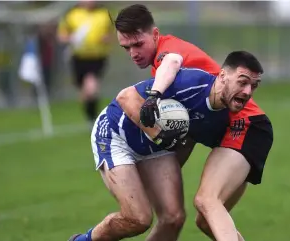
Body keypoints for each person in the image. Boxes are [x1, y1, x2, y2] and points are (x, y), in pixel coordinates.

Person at [114, 4, 273, 241]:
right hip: (240, 129)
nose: (133, 53)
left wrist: (153, 96)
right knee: (207, 221)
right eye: (126, 48)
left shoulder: (167, 55)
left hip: (246, 124)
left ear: (155, 35)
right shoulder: (177, 83)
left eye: (138, 44)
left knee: (206, 200)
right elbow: (189, 132)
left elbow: (172, 61)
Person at [68, 51, 260, 241]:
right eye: (242, 82)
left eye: (254, 86)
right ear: (223, 76)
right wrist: (158, 135)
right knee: (138, 218)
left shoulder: (224, 117)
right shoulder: (191, 83)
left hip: (154, 149)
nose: (248, 92)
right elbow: (125, 97)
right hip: (115, 135)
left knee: (173, 219)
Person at [57, 0, 114, 127]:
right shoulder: (72, 14)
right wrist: (71, 38)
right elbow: (61, 35)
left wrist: (106, 39)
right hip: (78, 58)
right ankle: (91, 117)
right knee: (85, 93)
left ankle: (94, 119)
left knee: (91, 87)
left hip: (97, 57)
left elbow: (111, 34)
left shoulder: (104, 14)